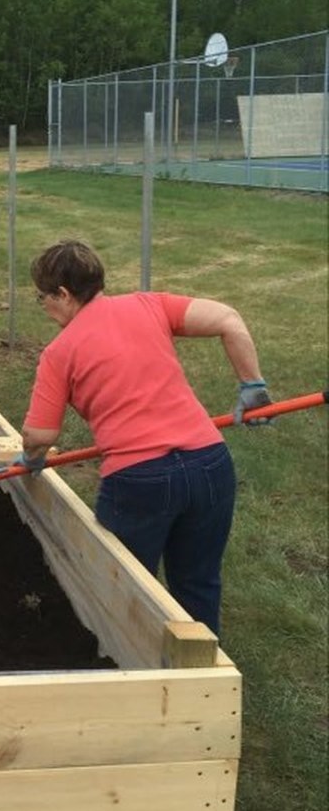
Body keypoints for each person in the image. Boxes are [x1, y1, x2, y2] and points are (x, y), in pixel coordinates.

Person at [17, 239, 273, 637]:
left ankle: (128, 668)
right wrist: (251, 384)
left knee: (123, 586)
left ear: (63, 294)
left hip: (140, 480)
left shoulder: (59, 351)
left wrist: (31, 457)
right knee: (198, 581)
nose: (44, 305)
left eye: (43, 297)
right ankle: (200, 678)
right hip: (210, 464)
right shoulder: (148, 305)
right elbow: (228, 319)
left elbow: (41, 433)